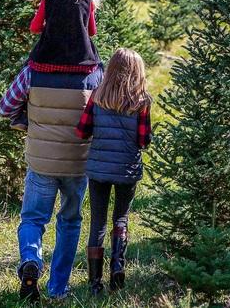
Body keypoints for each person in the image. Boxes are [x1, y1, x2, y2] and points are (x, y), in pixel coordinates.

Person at [0, 0, 103, 302]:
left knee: (33, 218)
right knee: (70, 222)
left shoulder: (33, 70)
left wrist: (24, 121)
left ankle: (30, 261)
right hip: (78, 162)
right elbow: (102, 116)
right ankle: (58, 288)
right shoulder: (94, 74)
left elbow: (5, 107)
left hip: (41, 161)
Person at [75, 48, 152, 295]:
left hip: (98, 169)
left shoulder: (97, 96)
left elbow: (82, 131)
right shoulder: (142, 102)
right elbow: (143, 141)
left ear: (111, 70)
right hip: (127, 169)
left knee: (97, 222)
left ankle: (94, 284)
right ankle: (118, 265)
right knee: (121, 218)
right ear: (138, 72)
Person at [0, 0, 101, 131]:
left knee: (27, 67)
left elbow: (35, 27)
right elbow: (92, 31)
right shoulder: (87, 1)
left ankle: (19, 116)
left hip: (47, 59)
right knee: (101, 69)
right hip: (82, 62)